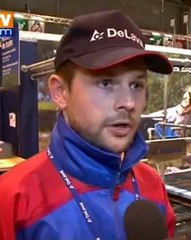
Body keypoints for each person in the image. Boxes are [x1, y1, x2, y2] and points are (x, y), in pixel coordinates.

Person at [0, 10, 176, 240]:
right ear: (61, 92)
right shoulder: (13, 198)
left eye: (136, 85)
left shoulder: (151, 184)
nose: (129, 103)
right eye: (106, 82)